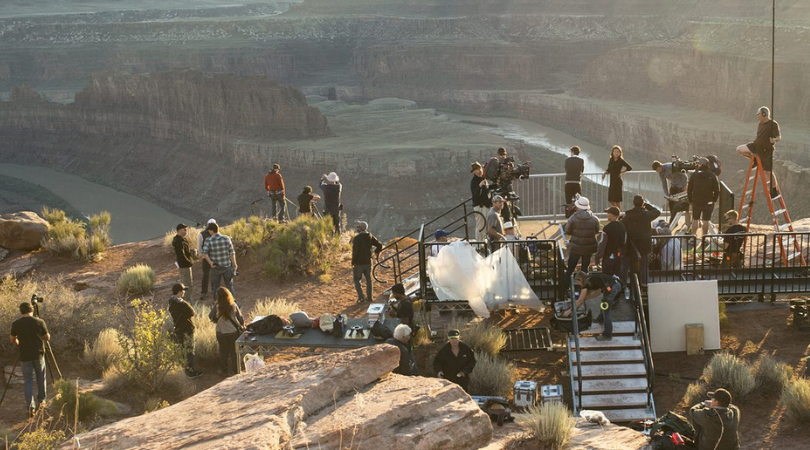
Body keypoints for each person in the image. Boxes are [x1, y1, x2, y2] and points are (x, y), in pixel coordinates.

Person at [9, 302, 50, 417]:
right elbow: (47, 337)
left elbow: (12, 339)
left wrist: (18, 342)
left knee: (28, 381)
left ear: (21, 311)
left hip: (25, 356)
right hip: (38, 355)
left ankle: (30, 406)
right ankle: (41, 401)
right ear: (32, 310)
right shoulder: (39, 321)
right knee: (41, 378)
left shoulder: (16, 324)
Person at [736, 106, 781, 197]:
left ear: (764, 114)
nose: (757, 115)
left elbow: (779, 137)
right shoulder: (760, 123)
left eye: (759, 114)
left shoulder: (773, 124)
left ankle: (774, 190)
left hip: (766, 151)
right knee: (739, 149)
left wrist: (774, 140)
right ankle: (756, 161)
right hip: (756, 146)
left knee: (768, 172)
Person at [564, 271, 622, 341]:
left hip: (612, 288)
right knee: (604, 303)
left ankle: (607, 335)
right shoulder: (592, 278)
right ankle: (600, 319)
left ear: (580, 279)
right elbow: (599, 291)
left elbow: (579, 301)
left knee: (606, 311)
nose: (578, 284)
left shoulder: (586, 283)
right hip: (615, 285)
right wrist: (587, 298)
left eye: (578, 282)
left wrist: (569, 311)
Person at [622, 195, 661, 287]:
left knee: (627, 264)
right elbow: (657, 212)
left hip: (631, 244)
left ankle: (625, 283)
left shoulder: (628, 216)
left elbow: (622, 225)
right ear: (642, 204)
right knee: (644, 265)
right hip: (644, 244)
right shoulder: (646, 215)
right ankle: (644, 283)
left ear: (633, 203)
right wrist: (647, 205)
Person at [564, 196, 600, 288]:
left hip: (576, 247)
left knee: (570, 268)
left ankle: (566, 288)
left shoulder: (573, 218)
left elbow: (567, 231)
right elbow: (596, 231)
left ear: (578, 207)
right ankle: (585, 288)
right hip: (589, 247)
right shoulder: (595, 219)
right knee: (585, 268)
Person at [168, 283, 202, 378]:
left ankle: (184, 370)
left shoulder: (171, 301)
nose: (184, 292)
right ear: (179, 292)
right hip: (187, 329)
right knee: (190, 350)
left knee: (182, 350)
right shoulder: (181, 303)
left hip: (178, 329)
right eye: (183, 291)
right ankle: (190, 372)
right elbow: (192, 312)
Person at [208, 287, 245, 376]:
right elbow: (240, 318)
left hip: (221, 332)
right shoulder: (233, 305)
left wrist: (216, 320)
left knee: (223, 352)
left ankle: (224, 370)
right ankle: (236, 371)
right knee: (234, 352)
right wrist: (243, 326)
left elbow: (210, 316)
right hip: (233, 332)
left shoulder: (217, 306)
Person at [200, 222, 237, 298]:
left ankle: (216, 303)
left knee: (216, 286)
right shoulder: (226, 238)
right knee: (229, 285)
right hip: (227, 266)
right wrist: (234, 264)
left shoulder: (208, 240)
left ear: (211, 231)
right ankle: (233, 303)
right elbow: (231, 252)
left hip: (216, 267)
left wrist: (210, 263)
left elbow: (204, 253)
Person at [351, 221, 383, 303]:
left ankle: (361, 298)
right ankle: (370, 297)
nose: (357, 229)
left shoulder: (357, 239)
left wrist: (353, 262)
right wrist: (376, 252)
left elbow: (355, 252)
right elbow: (380, 245)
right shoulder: (370, 236)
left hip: (358, 263)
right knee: (369, 279)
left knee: (357, 280)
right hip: (368, 262)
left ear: (361, 228)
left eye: (358, 227)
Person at [687, 158, 720, 236]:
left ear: (699, 164)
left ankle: (693, 236)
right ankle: (704, 237)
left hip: (696, 201)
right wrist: (714, 199)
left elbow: (689, 189)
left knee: (695, 219)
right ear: (707, 165)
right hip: (708, 201)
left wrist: (690, 200)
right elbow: (717, 190)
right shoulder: (712, 175)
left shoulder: (694, 175)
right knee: (706, 220)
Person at [597, 206, 627, 285]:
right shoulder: (622, 227)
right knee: (617, 275)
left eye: (608, 213)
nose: (607, 215)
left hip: (608, 255)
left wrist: (598, 257)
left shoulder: (607, 228)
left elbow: (602, 244)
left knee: (607, 277)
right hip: (619, 255)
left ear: (613, 215)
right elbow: (624, 241)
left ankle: (609, 292)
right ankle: (618, 292)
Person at [470, 161, 491, 242]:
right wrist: (479, 186)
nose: (480, 170)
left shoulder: (483, 178)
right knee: (480, 227)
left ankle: (484, 243)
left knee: (487, 226)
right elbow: (475, 195)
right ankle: (479, 244)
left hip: (486, 205)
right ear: (474, 171)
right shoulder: (474, 181)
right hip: (480, 206)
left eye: (480, 168)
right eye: (477, 169)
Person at [172, 223, 195, 300]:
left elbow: (185, 252)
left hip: (183, 265)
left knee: (184, 284)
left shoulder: (181, 240)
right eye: (184, 230)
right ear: (179, 231)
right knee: (187, 285)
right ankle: (187, 301)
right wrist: (189, 262)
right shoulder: (179, 241)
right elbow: (181, 255)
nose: (185, 231)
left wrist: (191, 252)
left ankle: (185, 300)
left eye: (185, 229)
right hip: (185, 266)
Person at [196, 218, 216, 300]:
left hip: (214, 257)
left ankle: (213, 290)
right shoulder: (201, 234)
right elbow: (199, 245)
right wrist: (201, 255)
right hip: (206, 257)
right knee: (206, 275)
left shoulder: (216, 233)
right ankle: (204, 292)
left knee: (214, 274)